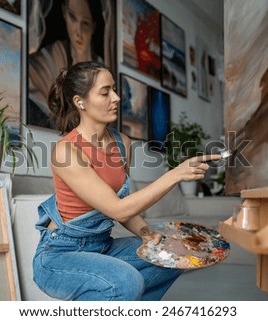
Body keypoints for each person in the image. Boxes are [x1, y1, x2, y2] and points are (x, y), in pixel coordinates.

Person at [32, 61, 221, 301]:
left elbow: (124, 204)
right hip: (61, 255)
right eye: (105, 92)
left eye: (114, 89)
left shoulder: (122, 143)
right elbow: (118, 210)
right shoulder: (66, 151)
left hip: (103, 246)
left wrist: (148, 235)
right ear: (80, 102)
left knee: (171, 255)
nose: (117, 98)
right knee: (125, 281)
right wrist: (175, 174)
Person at [28, 0, 110, 128]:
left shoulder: (104, 69)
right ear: (65, 14)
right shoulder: (50, 58)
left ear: (93, 26)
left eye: (85, 23)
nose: (78, 32)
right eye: (72, 17)